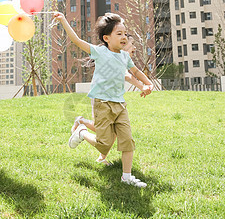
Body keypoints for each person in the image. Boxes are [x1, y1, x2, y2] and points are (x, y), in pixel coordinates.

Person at [54, 12, 153, 188]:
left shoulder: (124, 56)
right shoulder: (99, 52)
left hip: (120, 104)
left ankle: (127, 176)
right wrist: (63, 20)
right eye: (119, 34)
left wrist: (147, 84)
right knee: (104, 145)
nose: (124, 37)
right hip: (102, 103)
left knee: (127, 139)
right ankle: (82, 132)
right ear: (107, 38)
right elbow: (77, 41)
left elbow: (135, 72)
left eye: (124, 33)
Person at [71, 35, 151, 166]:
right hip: (101, 99)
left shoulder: (122, 58)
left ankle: (101, 158)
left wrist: (146, 85)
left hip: (114, 101)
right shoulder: (113, 57)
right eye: (132, 44)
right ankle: (81, 123)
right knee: (103, 131)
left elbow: (132, 73)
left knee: (112, 132)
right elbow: (129, 76)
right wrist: (143, 86)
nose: (134, 47)